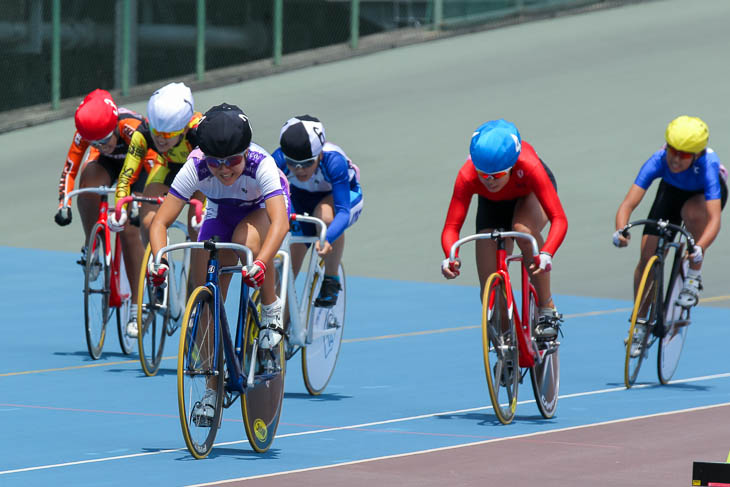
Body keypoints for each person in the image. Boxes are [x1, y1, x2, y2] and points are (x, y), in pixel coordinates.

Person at [147, 103, 290, 424]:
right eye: (216, 163)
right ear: (204, 157)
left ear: (245, 153)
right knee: (207, 300)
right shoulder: (195, 166)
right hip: (221, 212)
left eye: (233, 161)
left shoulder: (261, 164)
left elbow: (279, 223)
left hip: (259, 212)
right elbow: (159, 223)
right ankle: (211, 391)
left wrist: (263, 263)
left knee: (246, 240)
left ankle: (270, 309)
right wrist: (159, 261)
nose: (225, 170)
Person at [440, 119, 568, 339]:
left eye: (497, 175)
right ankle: (505, 341)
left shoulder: (529, 165)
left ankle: (547, 308)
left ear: (511, 166)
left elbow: (559, 219)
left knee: (523, 230)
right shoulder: (468, 175)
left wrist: (547, 252)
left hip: (529, 195)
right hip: (493, 205)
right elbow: (451, 227)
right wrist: (451, 256)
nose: (489, 181)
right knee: (488, 280)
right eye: (484, 175)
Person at [54, 88, 156, 335]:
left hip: (140, 165)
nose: (103, 145)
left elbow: (154, 164)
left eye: (105, 140)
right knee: (88, 183)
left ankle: (137, 305)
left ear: (114, 127)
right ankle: (94, 245)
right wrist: (63, 205)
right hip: (108, 167)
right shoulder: (85, 135)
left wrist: (140, 205)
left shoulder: (131, 126)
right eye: (95, 142)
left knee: (129, 227)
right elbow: (70, 169)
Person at [111, 81, 205, 337]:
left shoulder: (199, 131)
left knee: (198, 228)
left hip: (199, 173)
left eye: (167, 135)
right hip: (167, 170)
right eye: (156, 133)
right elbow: (127, 175)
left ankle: (196, 289)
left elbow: (210, 174)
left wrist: (202, 209)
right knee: (148, 217)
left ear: (184, 128)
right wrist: (120, 204)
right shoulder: (143, 133)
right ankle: (159, 270)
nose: (160, 139)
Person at [613, 115, 726, 307]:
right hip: (672, 190)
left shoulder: (708, 165)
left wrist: (700, 247)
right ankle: (639, 318)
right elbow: (628, 203)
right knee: (647, 256)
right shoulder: (658, 160)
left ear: (697, 154)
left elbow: (714, 219)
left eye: (683, 155)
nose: (675, 159)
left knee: (692, 213)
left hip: (701, 196)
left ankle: (693, 276)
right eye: (672, 151)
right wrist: (620, 229)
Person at [271, 115, 363, 307]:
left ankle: (331, 278)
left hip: (340, 196)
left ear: (320, 155)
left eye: (306, 163)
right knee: (287, 271)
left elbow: (343, 211)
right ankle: (284, 328)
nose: (299, 170)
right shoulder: (277, 160)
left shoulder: (333, 161)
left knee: (325, 218)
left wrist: (328, 238)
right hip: (300, 197)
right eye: (292, 164)